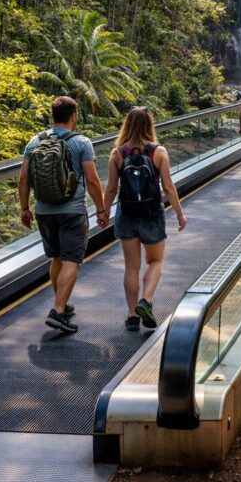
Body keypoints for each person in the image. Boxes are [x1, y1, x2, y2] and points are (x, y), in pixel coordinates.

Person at [19, 96, 109, 334]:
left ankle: (62, 303)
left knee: (56, 257)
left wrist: (24, 208)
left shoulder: (34, 142)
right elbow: (92, 179)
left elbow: (23, 179)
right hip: (72, 211)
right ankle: (58, 311)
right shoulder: (81, 142)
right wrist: (101, 209)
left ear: (53, 115)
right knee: (71, 259)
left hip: (44, 211)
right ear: (73, 116)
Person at [103, 107, 186, 331]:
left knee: (131, 267)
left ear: (126, 124)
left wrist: (103, 212)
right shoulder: (159, 152)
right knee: (155, 262)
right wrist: (179, 212)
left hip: (126, 214)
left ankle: (132, 317)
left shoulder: (117, 153)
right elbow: (168, 187)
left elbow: (111, 189)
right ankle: (146, 300)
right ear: (150, 124)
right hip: (152, 214)